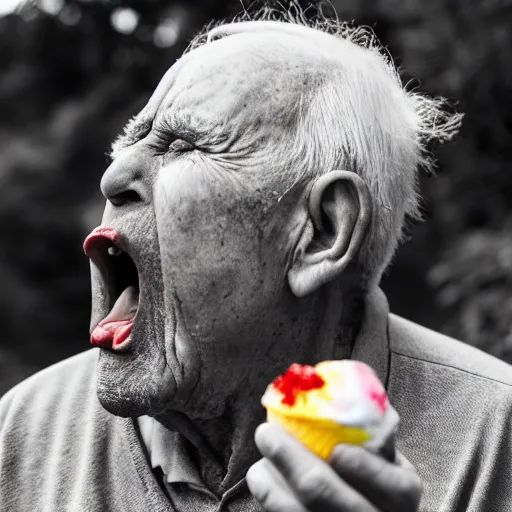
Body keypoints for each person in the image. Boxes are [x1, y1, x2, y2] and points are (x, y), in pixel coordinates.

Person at [1, 6, 511, 512]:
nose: (113, 178)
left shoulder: (497, 442)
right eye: (131, 141)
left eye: (182, 144)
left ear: (321, 232)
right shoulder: (19, 434)